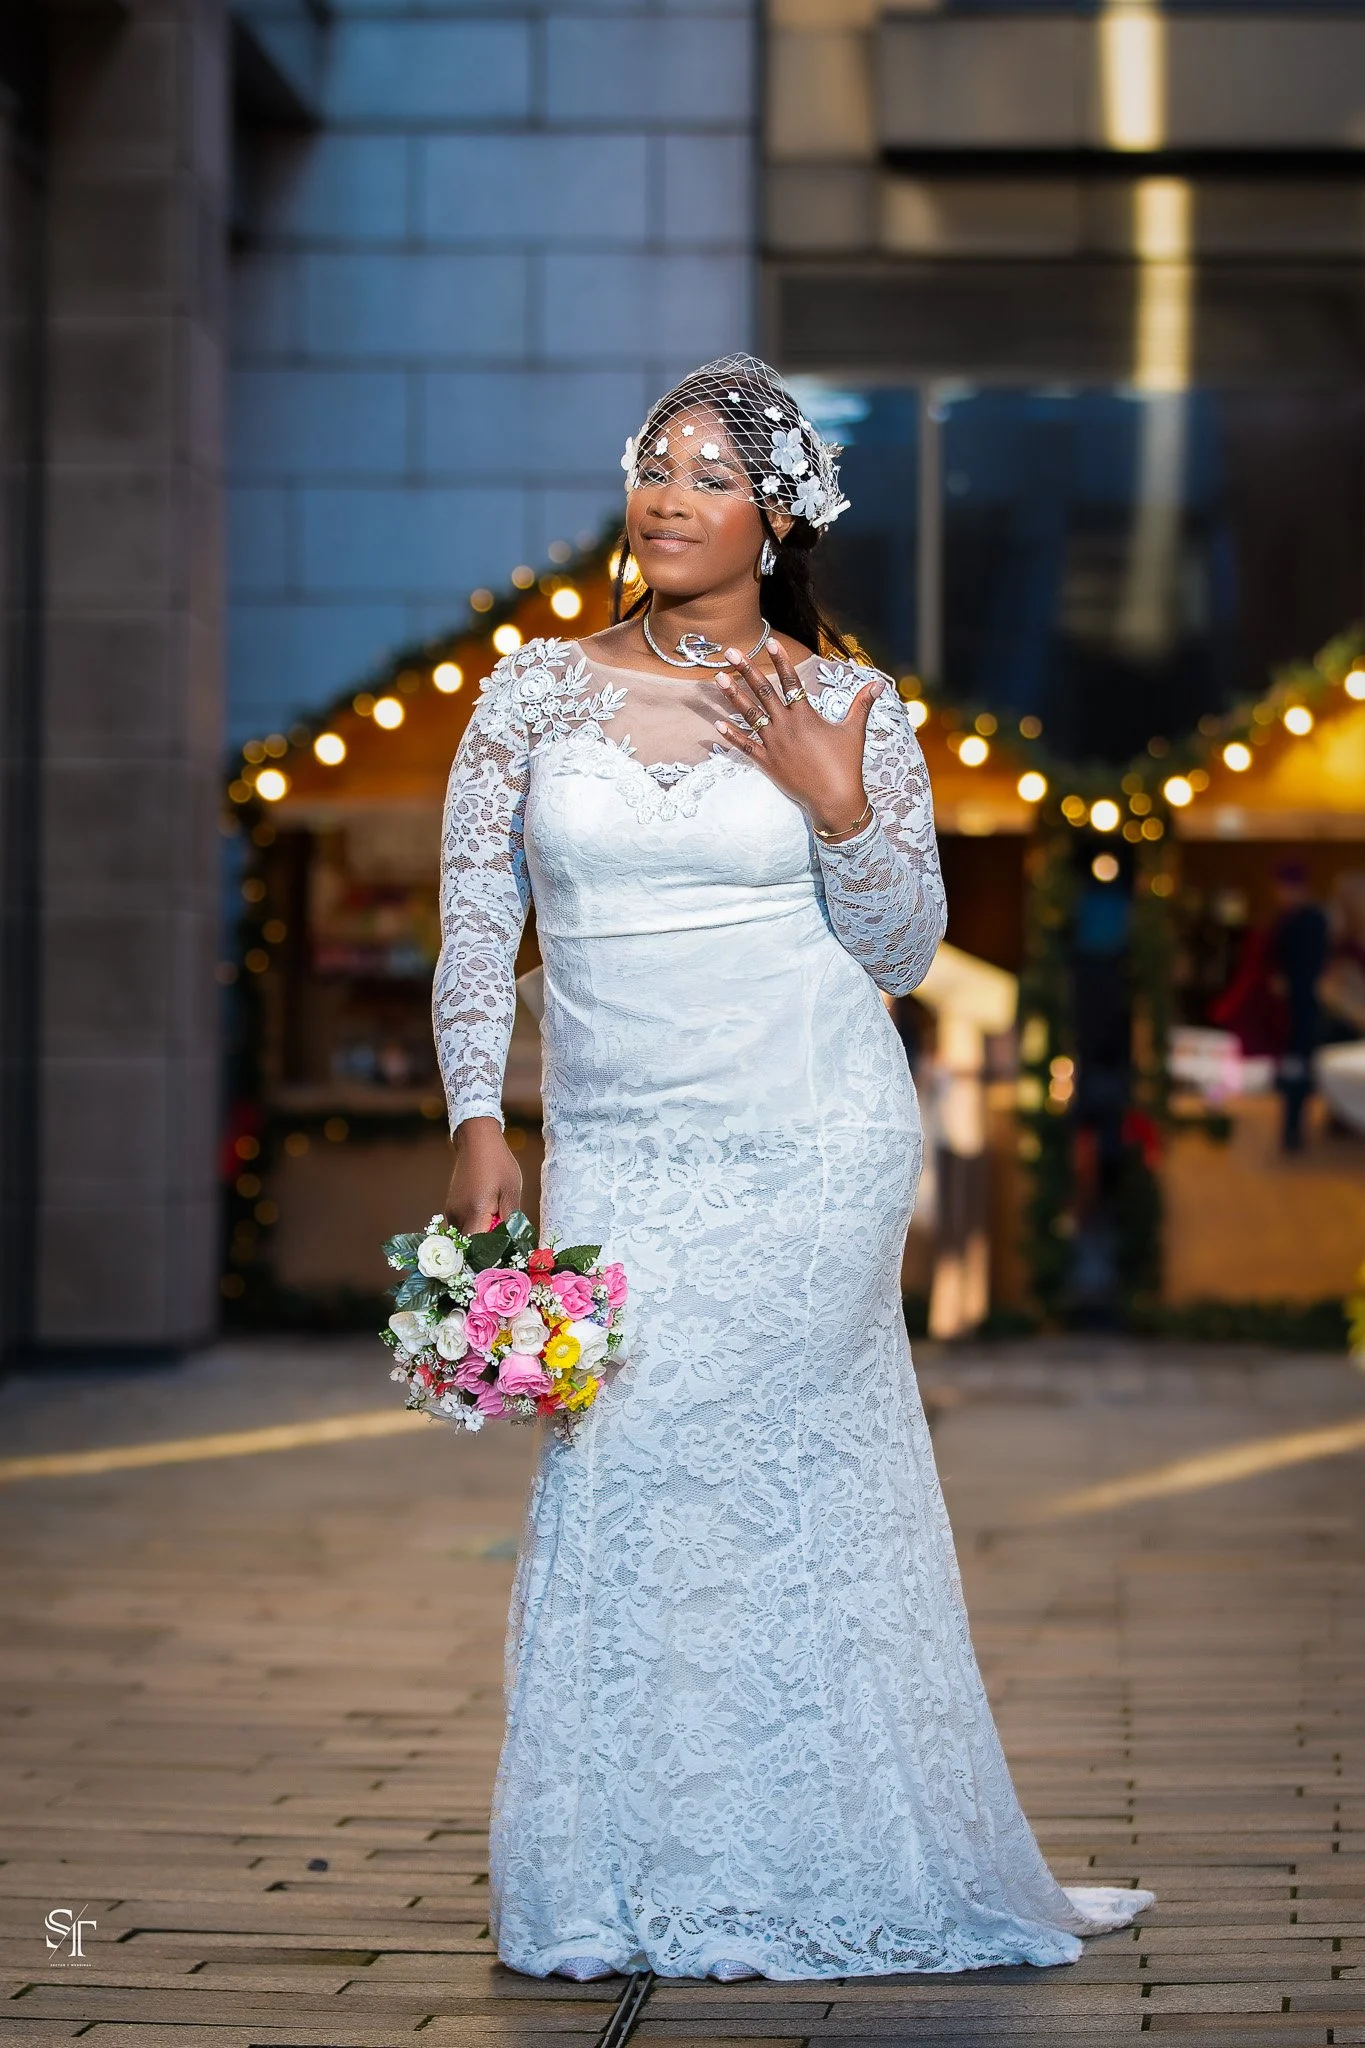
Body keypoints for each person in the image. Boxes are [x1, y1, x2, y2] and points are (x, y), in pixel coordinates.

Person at [432, 354, 1153, 1982]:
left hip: (811, 1148)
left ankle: (825, 1846)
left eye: (707, 473)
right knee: (630, 1480)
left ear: (778, 513)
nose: (669, 498)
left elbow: (902, 947)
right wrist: (480, 1107)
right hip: (617, 1153)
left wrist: (842, 811)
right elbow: (480, 913)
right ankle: (647, 1855)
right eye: (654, 466)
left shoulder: (849, 706)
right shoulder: (532, 691)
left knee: (766, 1468)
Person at [1268, 860, 1329, 1151]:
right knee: (1295, 1068)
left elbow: (1311, 964)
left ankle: (1293, 1128)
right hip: (1293, 1007)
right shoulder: (1289, 918)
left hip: (1302, 1008)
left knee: (1298, 1067)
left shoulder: (1308, 920)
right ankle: (1291, 1127)